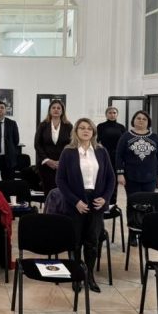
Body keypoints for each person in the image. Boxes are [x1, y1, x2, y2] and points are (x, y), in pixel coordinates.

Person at [56, 118, 115, 293]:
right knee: (75, 242)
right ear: (76, 131)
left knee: (92, 241)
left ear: (93, 132)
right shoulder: (68, 152)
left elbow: (111, 178)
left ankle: (89, 276)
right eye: (82, 128)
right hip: (76, 202)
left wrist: (105, 198)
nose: (86, 131)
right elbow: (60, 180)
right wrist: (75, 201)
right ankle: (76, 275)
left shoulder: (101, 151)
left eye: (89, 128)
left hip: (96, 202)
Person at [115, 110, 158, 196]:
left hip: (151, 177)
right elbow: (119, 156)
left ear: (148, 122)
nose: (141, 120)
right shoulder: (125, 136)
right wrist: (120, 174)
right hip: (131, 177)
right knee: (133, 201)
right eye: (138, 118)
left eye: (144, 119)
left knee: (149, 201)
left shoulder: (155, 137)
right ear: (133, 120)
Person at [34, 99, 73, 196]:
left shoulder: (68, 126)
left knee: (62, 191)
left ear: (62, 111)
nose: (56, 110)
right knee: (48, 192)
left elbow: (72, 144)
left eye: (59, 108)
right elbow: (37, 144)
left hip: (62, 164)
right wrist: (47, 160)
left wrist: (62, 161)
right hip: (45, 165)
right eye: (53, 108)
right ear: (50, 110)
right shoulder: (43, 125)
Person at [97, 106, 126, 205]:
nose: (112, 115)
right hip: (104, 156)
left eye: (114, 113)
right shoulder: (101, 126)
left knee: (114, 179)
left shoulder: (121, 127)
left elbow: (124, 143)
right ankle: (102, 201)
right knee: (103, 178)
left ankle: (112, 203)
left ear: (117, 114)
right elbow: (96, 141)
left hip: (117, 157)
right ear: (106, 114)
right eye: (110, 113)